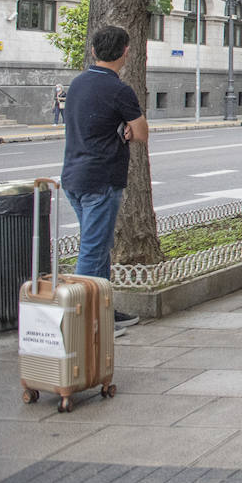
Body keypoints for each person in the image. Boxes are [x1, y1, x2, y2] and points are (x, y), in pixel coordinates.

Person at [60, 25, 147, 333]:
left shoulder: (77, 84)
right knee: (93, 251)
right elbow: (141, 133)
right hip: (102, 180)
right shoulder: (120, 89)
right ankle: (81, 322)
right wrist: (126, 126)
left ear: (94, 51)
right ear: (126, 52)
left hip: (74, 177)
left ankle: (103, 311)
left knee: (99, 246)